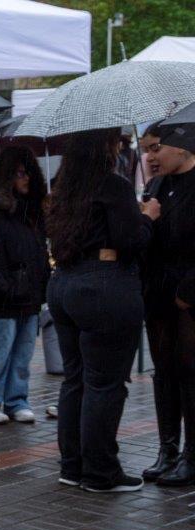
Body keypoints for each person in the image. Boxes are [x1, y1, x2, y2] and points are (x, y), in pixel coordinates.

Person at [47, 129, 157, 493]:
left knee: (75, 379)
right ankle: (100, 471)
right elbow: (131, 240)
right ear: (102, 147)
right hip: (103, 286)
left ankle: (72, 465)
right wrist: (148, 217)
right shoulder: (113, 185)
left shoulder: (64, 186)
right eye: (114, 142)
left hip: (64, 284)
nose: (118, 147)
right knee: (104, 383)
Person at [0, 146, 50, 425]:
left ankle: (16, 399)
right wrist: (4, 287)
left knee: (22, 354)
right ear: (6, 178)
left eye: (28, 173)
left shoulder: (33, 215)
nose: (26, 179)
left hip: (29, 298)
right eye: (19, 174)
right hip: (1, 300)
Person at [138, 122, 195, 486]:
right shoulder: (155, 187)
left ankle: (192, 455)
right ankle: (167, 450)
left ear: (184, 146)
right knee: (164, 372)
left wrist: (189, 290)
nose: (150, 157)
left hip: (189, 297)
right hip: (157, 294)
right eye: (146, 149)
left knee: (190, 372)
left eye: (156, 148)